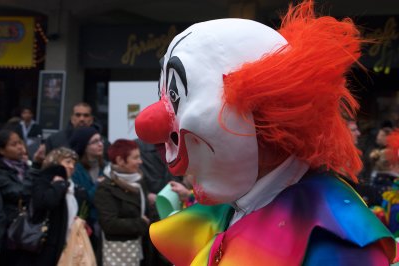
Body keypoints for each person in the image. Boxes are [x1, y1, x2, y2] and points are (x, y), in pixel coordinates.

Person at [134, 1, 396, 265]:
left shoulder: (336, 239)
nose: (149, 126)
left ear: (264, 109)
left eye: (177, 95)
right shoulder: (226, 209)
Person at [94, 139, 151, 266]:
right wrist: (141, 223)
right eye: (135, 158)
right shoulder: (106, 188)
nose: (140, 161)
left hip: (140, 250)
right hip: (117, 252)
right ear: (120, 161)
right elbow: (109, 224)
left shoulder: (139, 180)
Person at [31, 147, 78, 265]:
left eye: (74, 163)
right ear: (55, 162)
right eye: (68, 162)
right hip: (46, 244)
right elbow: (46, 202)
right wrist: (58, 185)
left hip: (66, 242)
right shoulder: (45, 180)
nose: (72, 166)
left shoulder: (72, 186)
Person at [69, 126, 105, 265]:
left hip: (103, 225)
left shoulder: (105, 166)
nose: (100, 144)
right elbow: (81, 200)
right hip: (84, 227)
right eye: (95, 142)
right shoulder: (75, 170)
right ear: (84, 146)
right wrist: (97, 185)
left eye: (100, 140)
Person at [0, 129, 34, 265]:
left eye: (20, 142)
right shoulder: (2, 173)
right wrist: (35, 169)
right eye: (14, 144)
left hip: (28, 232)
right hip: (9, 234)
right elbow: (19, 193)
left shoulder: (25, 167)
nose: (20, 147)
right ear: (2, 150)